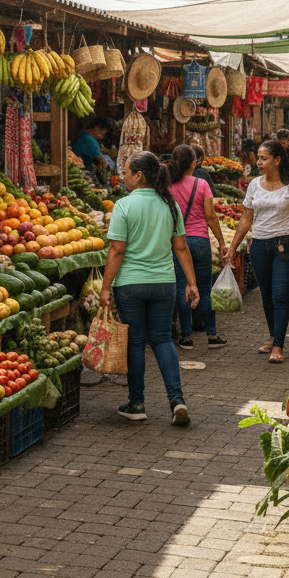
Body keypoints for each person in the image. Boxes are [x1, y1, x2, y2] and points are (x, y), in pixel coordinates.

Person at [99, 151, 198, 425]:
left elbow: (116, 250)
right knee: (163, 339)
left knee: (136, 342)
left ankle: (137, 403)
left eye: (126, 172)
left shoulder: (124, 205)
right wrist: (191, 283)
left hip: (130, 285)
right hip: (164, 283)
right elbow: (181, 247)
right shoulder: (169, 203)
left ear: (139, 175)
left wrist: (105, 288)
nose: (123, 177)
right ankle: (177, 401)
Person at [223, 141, 289, 364]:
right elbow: (246, 218)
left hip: (286, 245)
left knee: (279, 294)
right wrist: (233, 248)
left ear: (278, 160)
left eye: (264, 158)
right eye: (259, 158)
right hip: (259, 246)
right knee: (266, 295)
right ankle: (273, 335)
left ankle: (278, 345)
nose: (259, 162)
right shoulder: (254, 185)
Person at [166, 145, 227, 350]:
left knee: (182, 287)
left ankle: (186, 336)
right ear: (194, 163)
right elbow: (211, 217)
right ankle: (212, 334)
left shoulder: (168, 185)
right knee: (205, 289)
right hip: (200, 242)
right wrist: (221, 242)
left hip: (178, 242)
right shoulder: (202, 184)